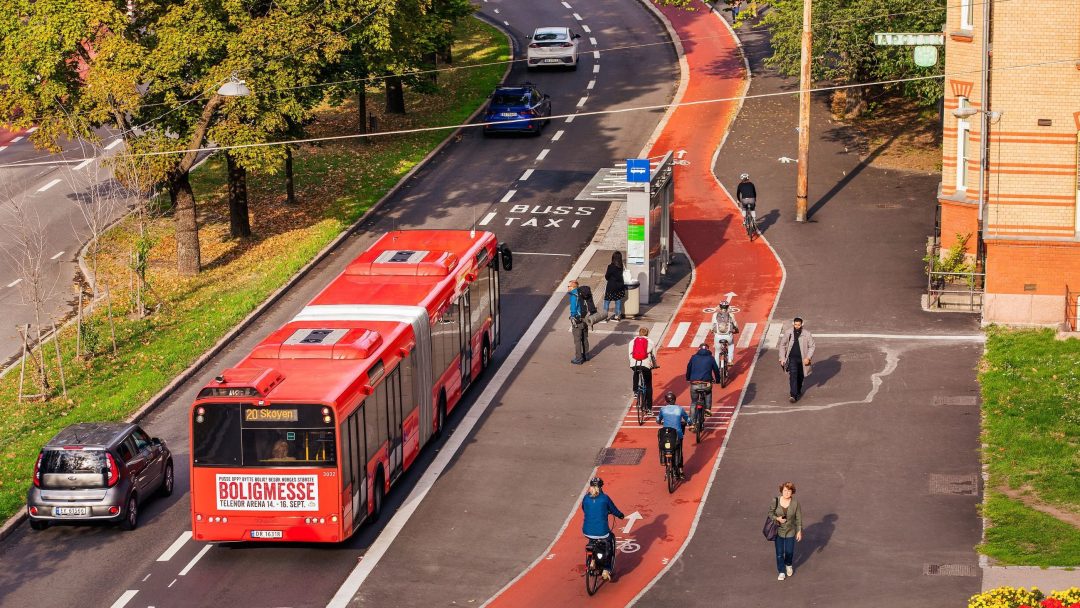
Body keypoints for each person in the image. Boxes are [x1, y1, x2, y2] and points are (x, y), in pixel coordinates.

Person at [581, 477, 624, 581]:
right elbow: (613, 510)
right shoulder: (605, 498)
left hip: (587, 530)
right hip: (602, 531)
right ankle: (606, 569)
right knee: (608, 544)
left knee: (592, 539)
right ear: (600, 487)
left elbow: (584, 508)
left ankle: (592, 561)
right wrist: (620, 515)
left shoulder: (586, 498)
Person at [768, 482, 803, 581]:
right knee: (779, 553)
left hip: (790, 530)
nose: (786, 493)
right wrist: (777, 518)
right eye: (785, 490)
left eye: (789, 491)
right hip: (778, 530)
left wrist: (799, 531)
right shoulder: (776, 500)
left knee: (789, 551)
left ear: (792, 492)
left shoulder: (795, 503)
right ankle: (781, 571)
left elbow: (798, 518)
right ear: (781, 491)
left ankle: (788, 564)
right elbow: (770, 513)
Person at [778, 316, 816, 402]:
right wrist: (782, 358)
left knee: (800, 376)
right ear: (793, 324)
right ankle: (793, 395)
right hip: (792, 359)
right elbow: (782, 345)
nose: (797, 326)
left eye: (798, 325)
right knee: (793, 376)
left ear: (802, 324)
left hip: (803, 360)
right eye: (795, 324)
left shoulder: (807, 334)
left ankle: (798, 390)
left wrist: (808, 357)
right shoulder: (788, 333)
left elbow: (812, 346)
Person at [656, 391, 689, 478]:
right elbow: (687, 419)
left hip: (665, 434)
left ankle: (664, 461)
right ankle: (680, 470)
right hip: (677, 434)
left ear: (666, 401)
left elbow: (658, 420)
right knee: (679, 450)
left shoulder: (663, 409)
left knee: (663, 446)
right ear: (675, 400)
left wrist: (660, 421)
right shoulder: (680, 409)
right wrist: (690, 423)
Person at [685, 342, 722, 416]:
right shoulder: (711, 358)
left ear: (699, 349)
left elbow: (688, 368)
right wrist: (718, 380)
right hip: (706, 384)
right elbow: (716, 370)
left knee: (694, 403)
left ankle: (692, 423)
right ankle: (708, 409)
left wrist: (688, 378)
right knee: (708, 393)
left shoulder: (693, 357)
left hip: (694, 383)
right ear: (708, 350)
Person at [628, 326, 658, 410]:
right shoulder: (650, 342)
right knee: (648, 385)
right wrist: (654, 365)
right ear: (647, 334)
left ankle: (635, 391)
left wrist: (632, 362)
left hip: (634, 364)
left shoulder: (632, 341)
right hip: (646, 365)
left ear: (639, 333)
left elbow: (630, 354)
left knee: (636, 372)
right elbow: (654, 356)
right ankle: (649, 408)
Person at [567, 280, 592, 365]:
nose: (568, 288)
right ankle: (586, 355)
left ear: (573, 287)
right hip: (585, 319)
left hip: (577, 320)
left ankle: (578, 358)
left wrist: (573, 316)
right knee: (585, 338)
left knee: (577, 340)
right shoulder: (583, 293)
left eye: (569, 286)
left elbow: (573, 308)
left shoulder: (574, 295)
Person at [710, 301, 740, 369]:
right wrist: (736, 330)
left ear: (720, 307)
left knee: (717, 352)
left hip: (718, 336)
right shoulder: (731, 315)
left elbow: (712, 325)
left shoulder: (715, 315)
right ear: (728, 307)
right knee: (731, 345)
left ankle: (717, 368)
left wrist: (711, 330)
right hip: (728, 336)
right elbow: (735, 324)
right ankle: (729, 360)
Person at [602, 252, 627, 322]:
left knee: (607, 301)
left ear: (613, 258)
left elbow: (607, 276)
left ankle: (605, 317)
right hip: (619, 286)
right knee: (618, 301)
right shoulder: (621, 266)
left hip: (611, 286)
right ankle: (617, 316)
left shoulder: (610, 267)